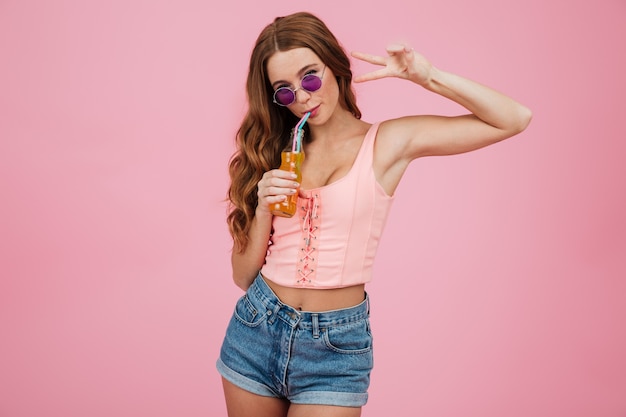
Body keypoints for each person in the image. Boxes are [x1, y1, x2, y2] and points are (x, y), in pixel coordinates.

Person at [216, 11, 532, 417]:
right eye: (285, 90)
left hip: (334, 348)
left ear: (333, 65)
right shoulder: (274, 152)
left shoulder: (386, 143)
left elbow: (514, 119)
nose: (303, 96)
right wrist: (261, 208)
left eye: (310, 76)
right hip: (256, 329)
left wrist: (427, 76)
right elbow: (242, 276)